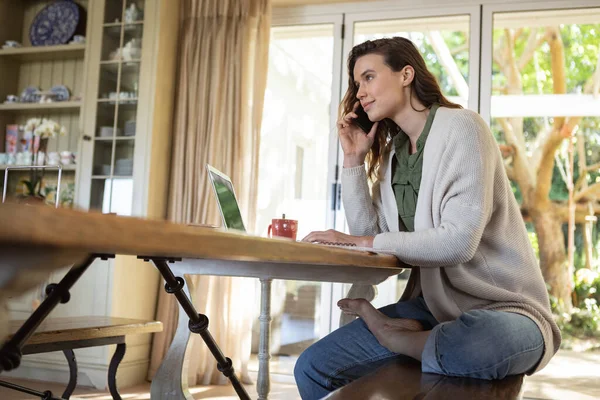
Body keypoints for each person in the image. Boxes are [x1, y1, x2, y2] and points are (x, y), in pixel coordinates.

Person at [296, 37, 561, 399]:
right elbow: (372, 241)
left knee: (479, 344)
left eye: (369, 77)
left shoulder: (464, 128)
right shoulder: (392, 156)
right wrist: (354, 161)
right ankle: (419, 338)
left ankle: (399, 336)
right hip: (434, 310)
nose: (360, 92)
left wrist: (362, 242)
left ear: (406, 74)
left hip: (507, 311)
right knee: (312, 366)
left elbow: (458, 241)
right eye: (357, 83)